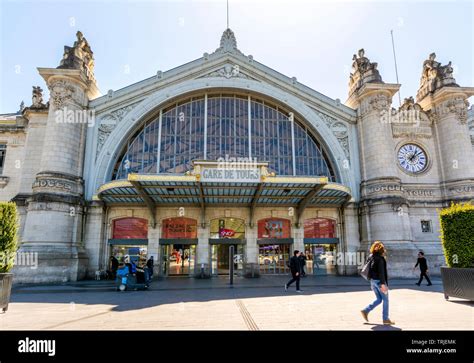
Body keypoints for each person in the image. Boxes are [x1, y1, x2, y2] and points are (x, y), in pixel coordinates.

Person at [360, 241, 395, 325]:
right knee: (386, 300)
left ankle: (366, 310)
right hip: (380, 282)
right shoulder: (380, 259)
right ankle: (385, 319)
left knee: (379, 299)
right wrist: (383, 284)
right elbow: (381, 272)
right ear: (382, 250)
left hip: (372, 281)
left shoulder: (371, 256)